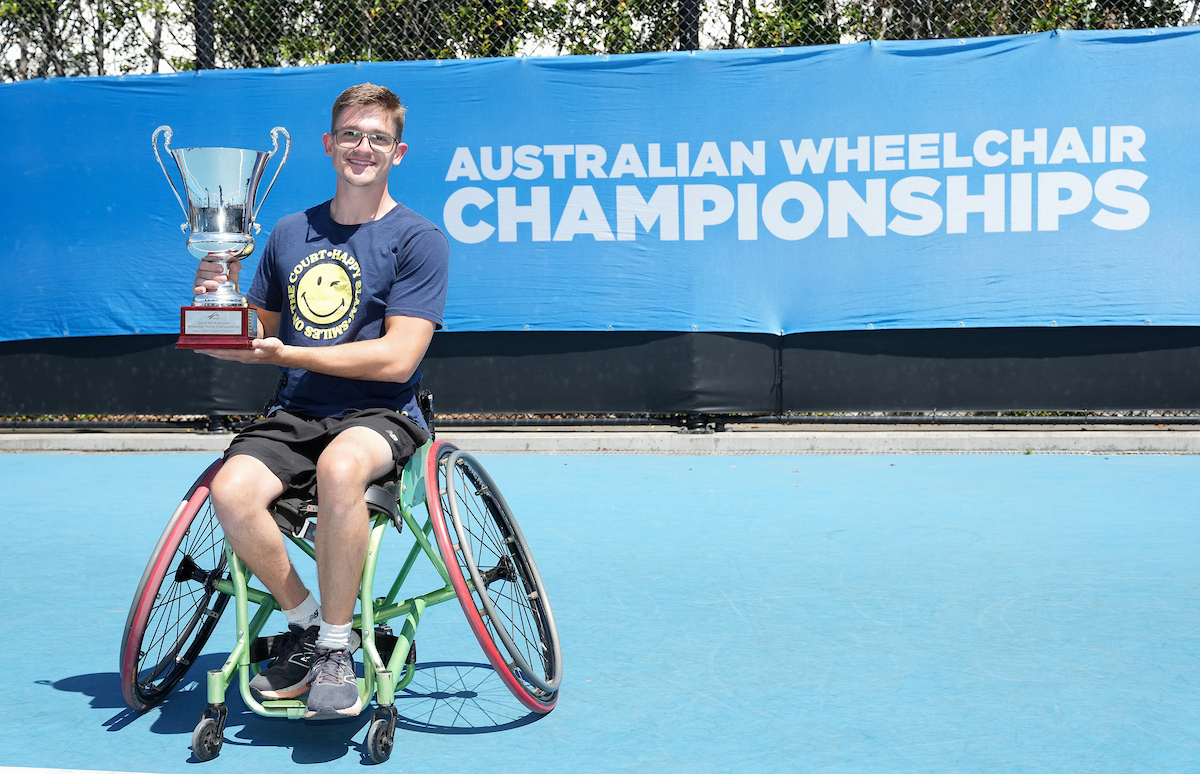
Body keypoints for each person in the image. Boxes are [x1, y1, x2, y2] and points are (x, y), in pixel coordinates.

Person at [194, 83, 449, 720]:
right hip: (298, 411)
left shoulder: (420, 240)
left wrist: (289, 353)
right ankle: (307, 620)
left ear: (399, 151)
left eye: (378, 138)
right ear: (329, 144)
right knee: (230, 490)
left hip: (383, 413)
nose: (363, 148)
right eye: (352, 135)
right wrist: (212, 299)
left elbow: (397, 359)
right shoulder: (287, 232)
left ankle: (338, 648)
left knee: (340, 468)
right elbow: (254, 338)